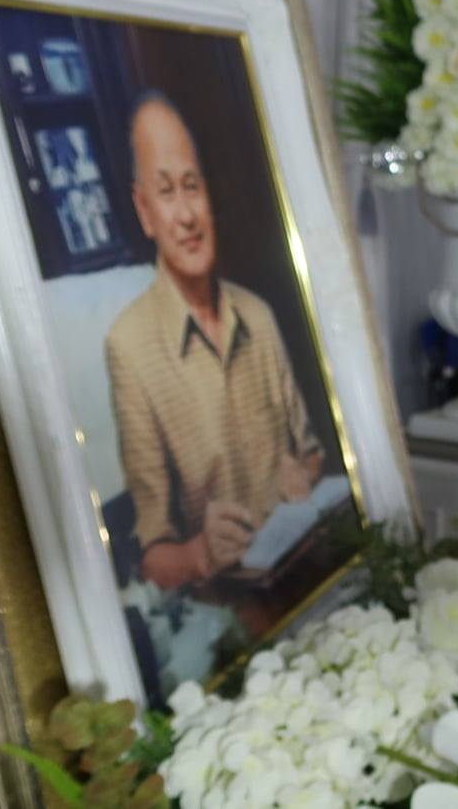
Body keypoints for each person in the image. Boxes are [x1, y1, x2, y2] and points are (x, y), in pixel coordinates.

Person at [106, 91, 326, 589]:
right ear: (144, 210)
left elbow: (312, 453)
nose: (187, 215)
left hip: (304, 570)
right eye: (166, 193)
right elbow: (152, 562)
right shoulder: (129, 347)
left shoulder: (258, 316)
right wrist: (200, 553)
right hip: (228, 606)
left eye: (192, 186)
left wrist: (304, 475)